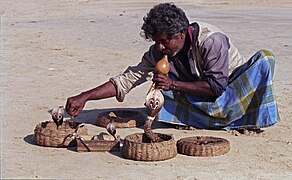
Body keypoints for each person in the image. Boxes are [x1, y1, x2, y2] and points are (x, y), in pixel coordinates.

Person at [66, 3, 279, 130]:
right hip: (199, 94)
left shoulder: (211, 41)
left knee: (265, 59)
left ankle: (240, 118)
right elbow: (127, 80)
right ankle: (209, 119)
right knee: (159, 90)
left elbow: (217, 87)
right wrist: (85, 96)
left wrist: (174, 84)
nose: (159, 47)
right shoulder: (160, 51)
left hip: (232, 92)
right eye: (155, 41)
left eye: (164, 41)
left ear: (181, 34)